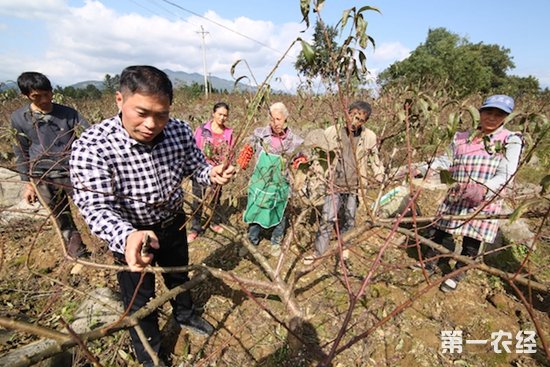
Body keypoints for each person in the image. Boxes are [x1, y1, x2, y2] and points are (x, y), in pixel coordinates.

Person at [69, 65, 235, 367]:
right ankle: (151, 355)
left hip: (173, 223)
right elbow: (94, 206)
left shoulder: (179, 131)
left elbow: (195, 168)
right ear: (120, 100)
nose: (151, 124)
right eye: (142, 112)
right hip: (132, 236)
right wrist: (127, 236)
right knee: (139, 301)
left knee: (178, 275)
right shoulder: (94, 146)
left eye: (161, 114)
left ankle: (184, 314)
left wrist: (212, 173)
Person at [416, 94, 523, 292]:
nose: (491, 118)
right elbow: (445, 161)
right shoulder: (462, 137)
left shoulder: (510, 140)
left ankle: (458, 272)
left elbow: (506, 174)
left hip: (483, 200)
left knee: (472, 241)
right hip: (457, 193)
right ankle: (430, 262)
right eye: (488, 112)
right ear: (480, 113)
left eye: (498, 114)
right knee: (438, 230)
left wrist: (482, 188)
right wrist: (420, 168)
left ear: (505, 117)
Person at [11, 71, 89, 258]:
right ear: (26, 96)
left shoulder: (69, 114)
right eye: (37, 96)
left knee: (90, 208)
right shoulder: (19, 118)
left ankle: (112, 248)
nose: (45, 99)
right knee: (62, 218)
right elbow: (20, 151)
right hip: (42, 176)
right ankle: (79, 254)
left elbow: (90, 137)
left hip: (73, 172)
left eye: (47, 94)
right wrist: (28, 182)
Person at [305, 101, 384, 264]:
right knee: (328, 218)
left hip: (355, 185)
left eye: (360, 120)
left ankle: (344, 248)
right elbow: (320, 156)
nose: (355, 122)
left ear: (365, 121)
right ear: (346, 113)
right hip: (334, 183)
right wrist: (315, 175)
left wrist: (379, 175)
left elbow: (374, 159)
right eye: (352, 116)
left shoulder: (369, 137)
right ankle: (318, 251)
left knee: (350, 219)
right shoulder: (332, 132)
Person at [242, 102, 304, 256]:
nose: (274, 123)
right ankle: (252, 240)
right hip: (260, 184)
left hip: (280, 185)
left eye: (278, 119)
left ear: (286, 119)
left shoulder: (294, 141)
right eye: (272, 119)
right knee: (256, 211)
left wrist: (300, 170)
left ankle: (276, 241)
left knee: (279, 213)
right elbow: (247, 150)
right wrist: (239, 165)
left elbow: (300, 162)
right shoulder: (259, 134)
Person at [187, 102, 234, 243]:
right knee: (198, 199)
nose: (222, 118)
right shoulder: (202, 130)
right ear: (213, 113)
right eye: (219, 114)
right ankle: (195, 227)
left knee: (215, 198)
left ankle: (214, 222)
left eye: (225, 115)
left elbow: (230, 152)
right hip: (200, 170)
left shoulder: (228, 133)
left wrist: (226, 167)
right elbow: (193, 149)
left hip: (218, 171)